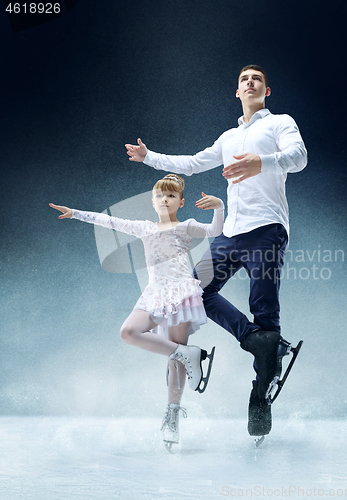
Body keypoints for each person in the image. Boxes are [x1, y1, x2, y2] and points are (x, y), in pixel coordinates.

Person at [125, 65, 307, 440]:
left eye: (257, 79)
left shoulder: (280, 123)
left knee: (265, 309)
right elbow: (192, 163)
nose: (250, 83)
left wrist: (262, 162)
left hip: (267, 230)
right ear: (237, 91)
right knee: (194, 291)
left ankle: (260, 396)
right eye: (244, 80)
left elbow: (299, 157)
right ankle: (253, 339)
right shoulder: (228, 137)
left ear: (267, 91)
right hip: (230, 234)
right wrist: (149, 158)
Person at [49, 173, 224, 451]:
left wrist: (218, 207)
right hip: (154, 294)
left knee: (174, 360)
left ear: (180, 201)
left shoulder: (186, 226)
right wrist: (74, 214)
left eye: (170, 196)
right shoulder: (144, 228)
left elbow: (215, 230)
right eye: (159, 196)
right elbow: (109, 222)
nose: (164, 200)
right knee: (129, 331)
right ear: (153, 202)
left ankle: (172, 416)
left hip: (180, 294)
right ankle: (186, 354)